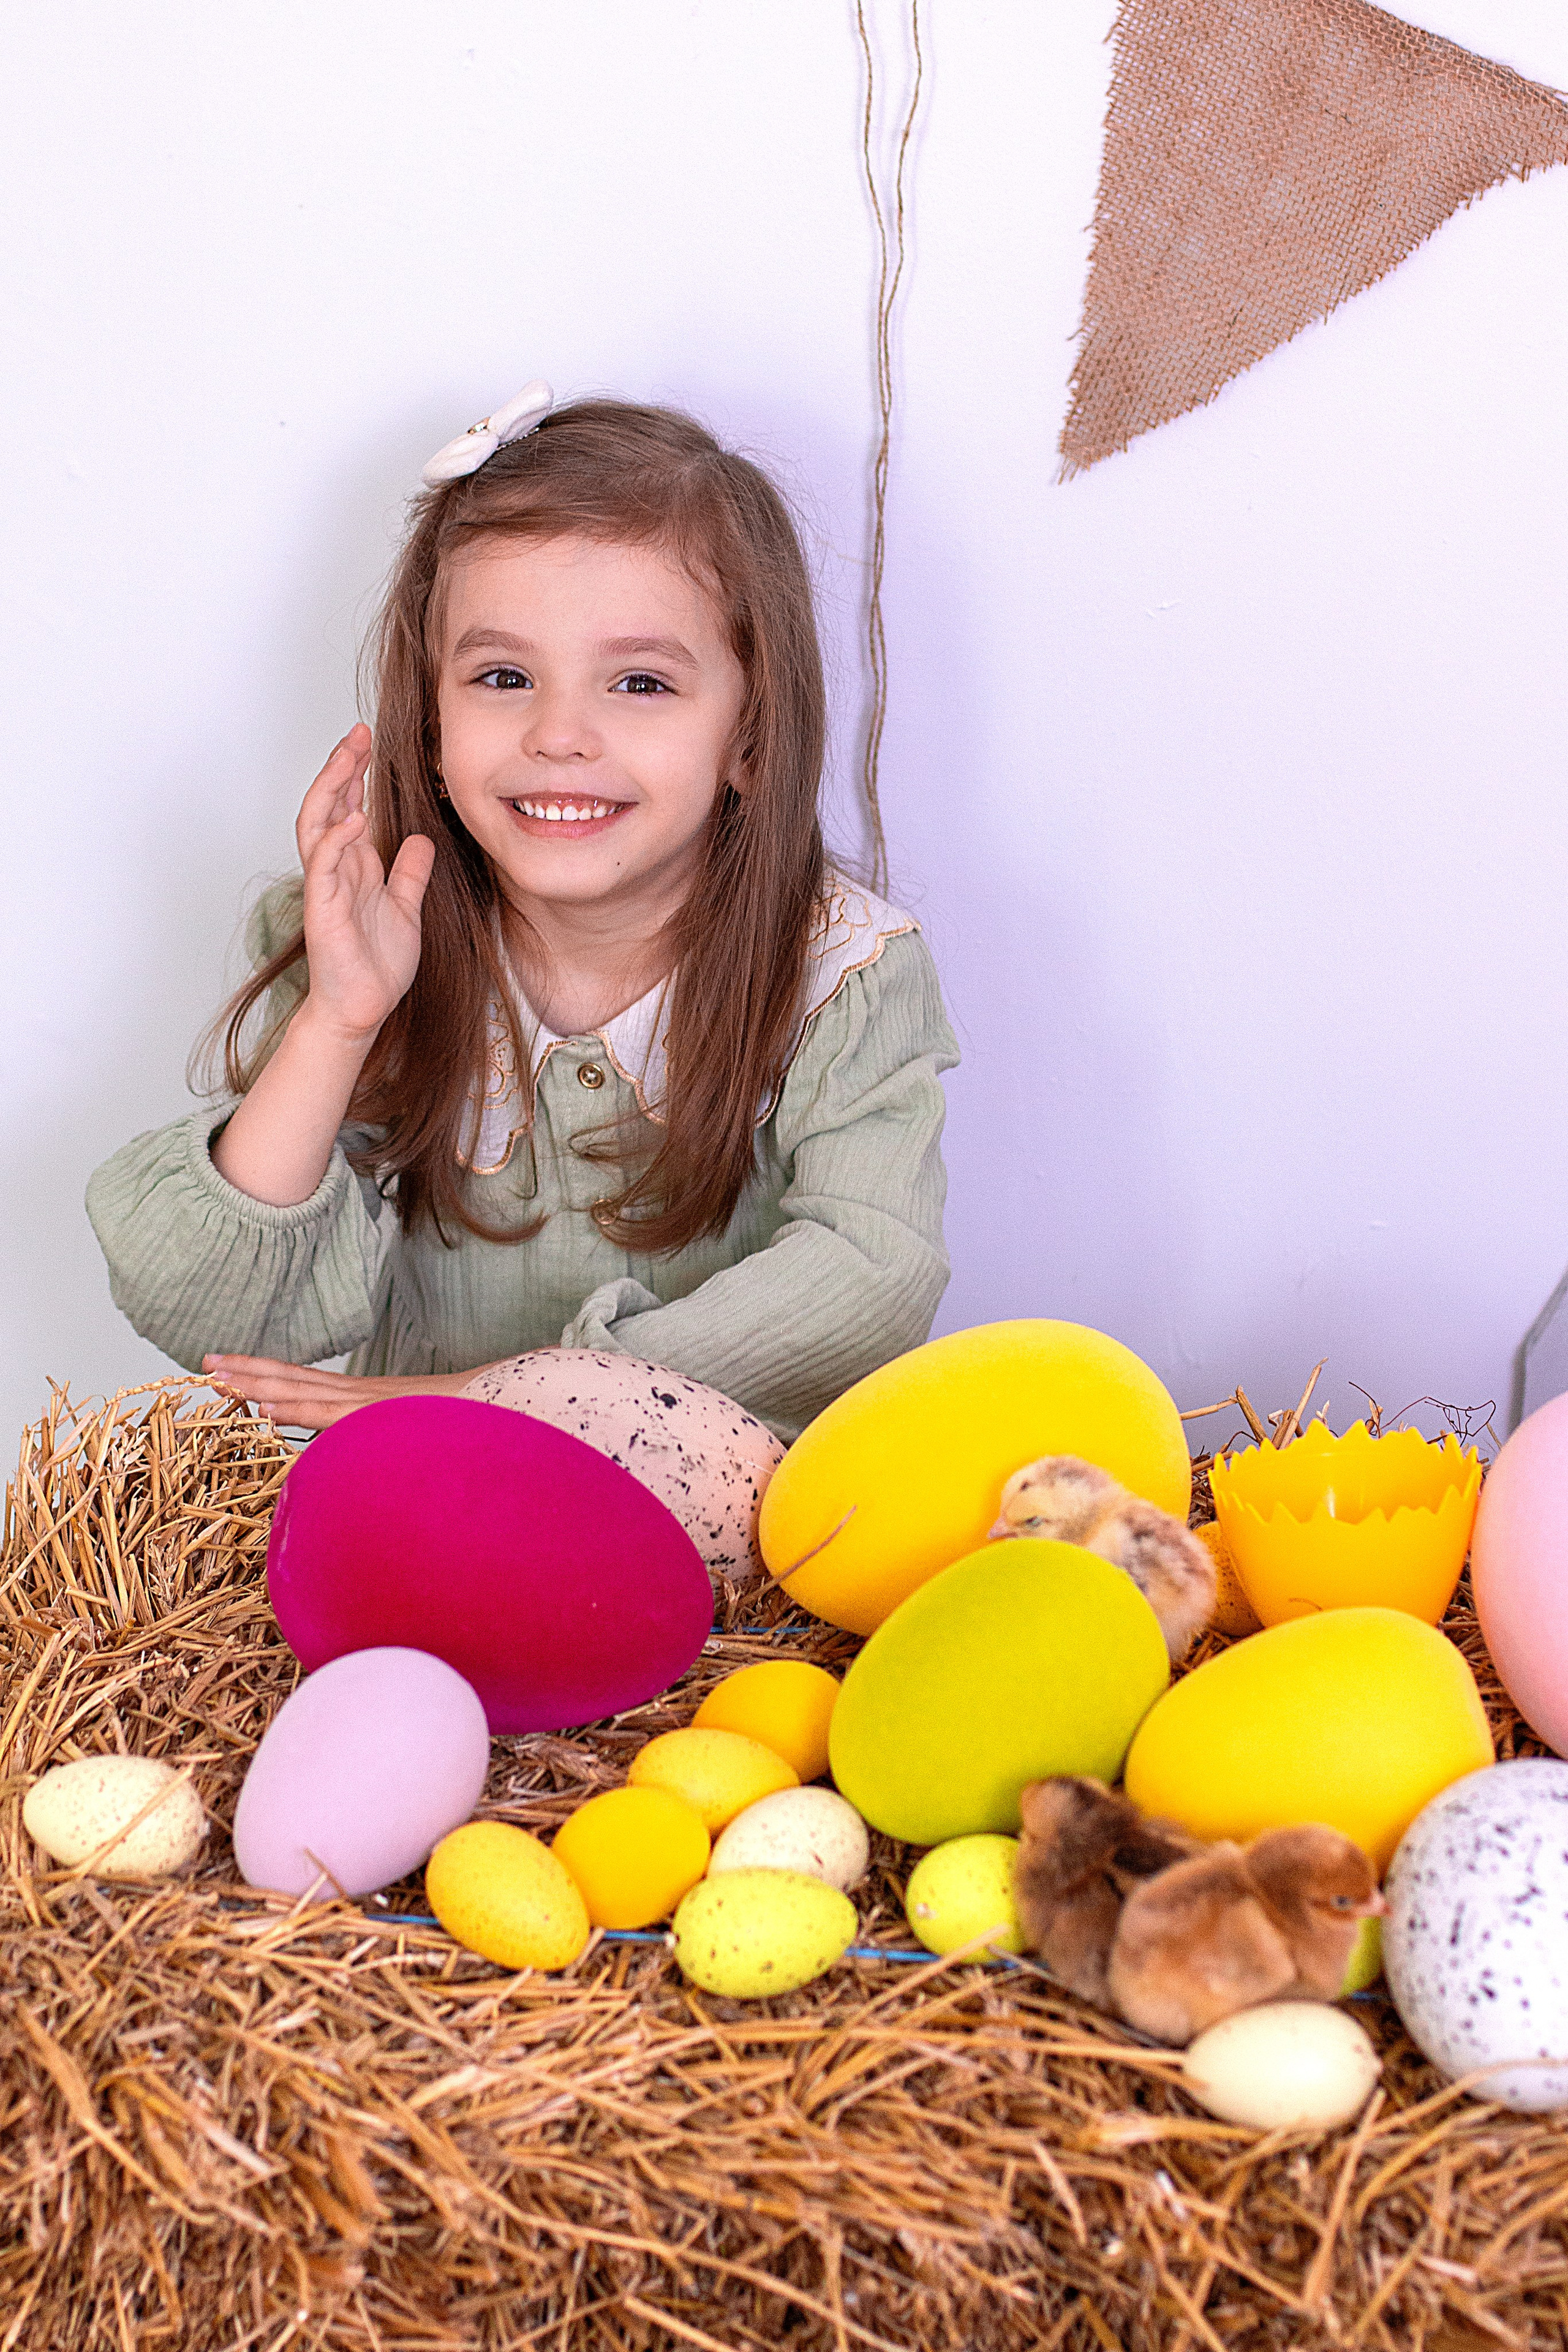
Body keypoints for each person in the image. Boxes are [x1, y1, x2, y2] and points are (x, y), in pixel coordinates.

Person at [86, 387, 959, 1443]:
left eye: (639, 683)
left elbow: (869, 1276)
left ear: (750, 738)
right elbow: (212, 1313)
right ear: (432, 717)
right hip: (421, 1513)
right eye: (504, 676)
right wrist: (341, 1020)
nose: (560, 734)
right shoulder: (371, 938)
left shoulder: (844, 971)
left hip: (716, 1538)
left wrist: (510, 1397)